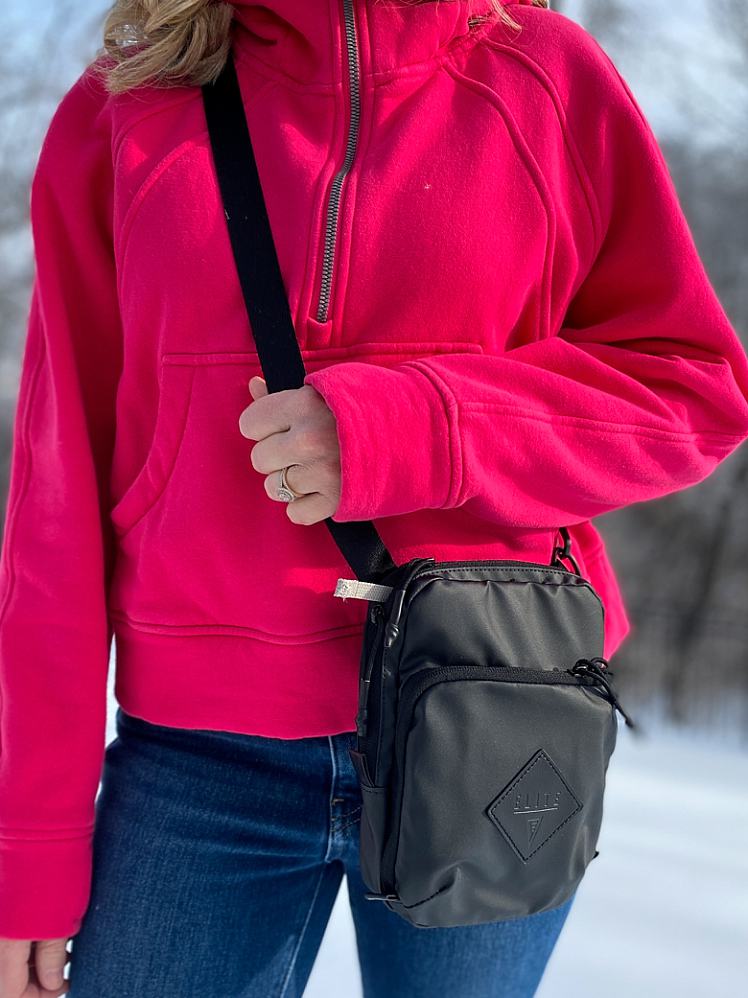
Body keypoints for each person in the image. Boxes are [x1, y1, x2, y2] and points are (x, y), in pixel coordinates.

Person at [1, 0, 748, 995]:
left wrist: (409, 430)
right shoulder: (126, 106)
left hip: (497, 712)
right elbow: (56, 500)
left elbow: (692, 390)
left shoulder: (549, 78)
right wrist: (32, 848)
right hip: (199, 762)